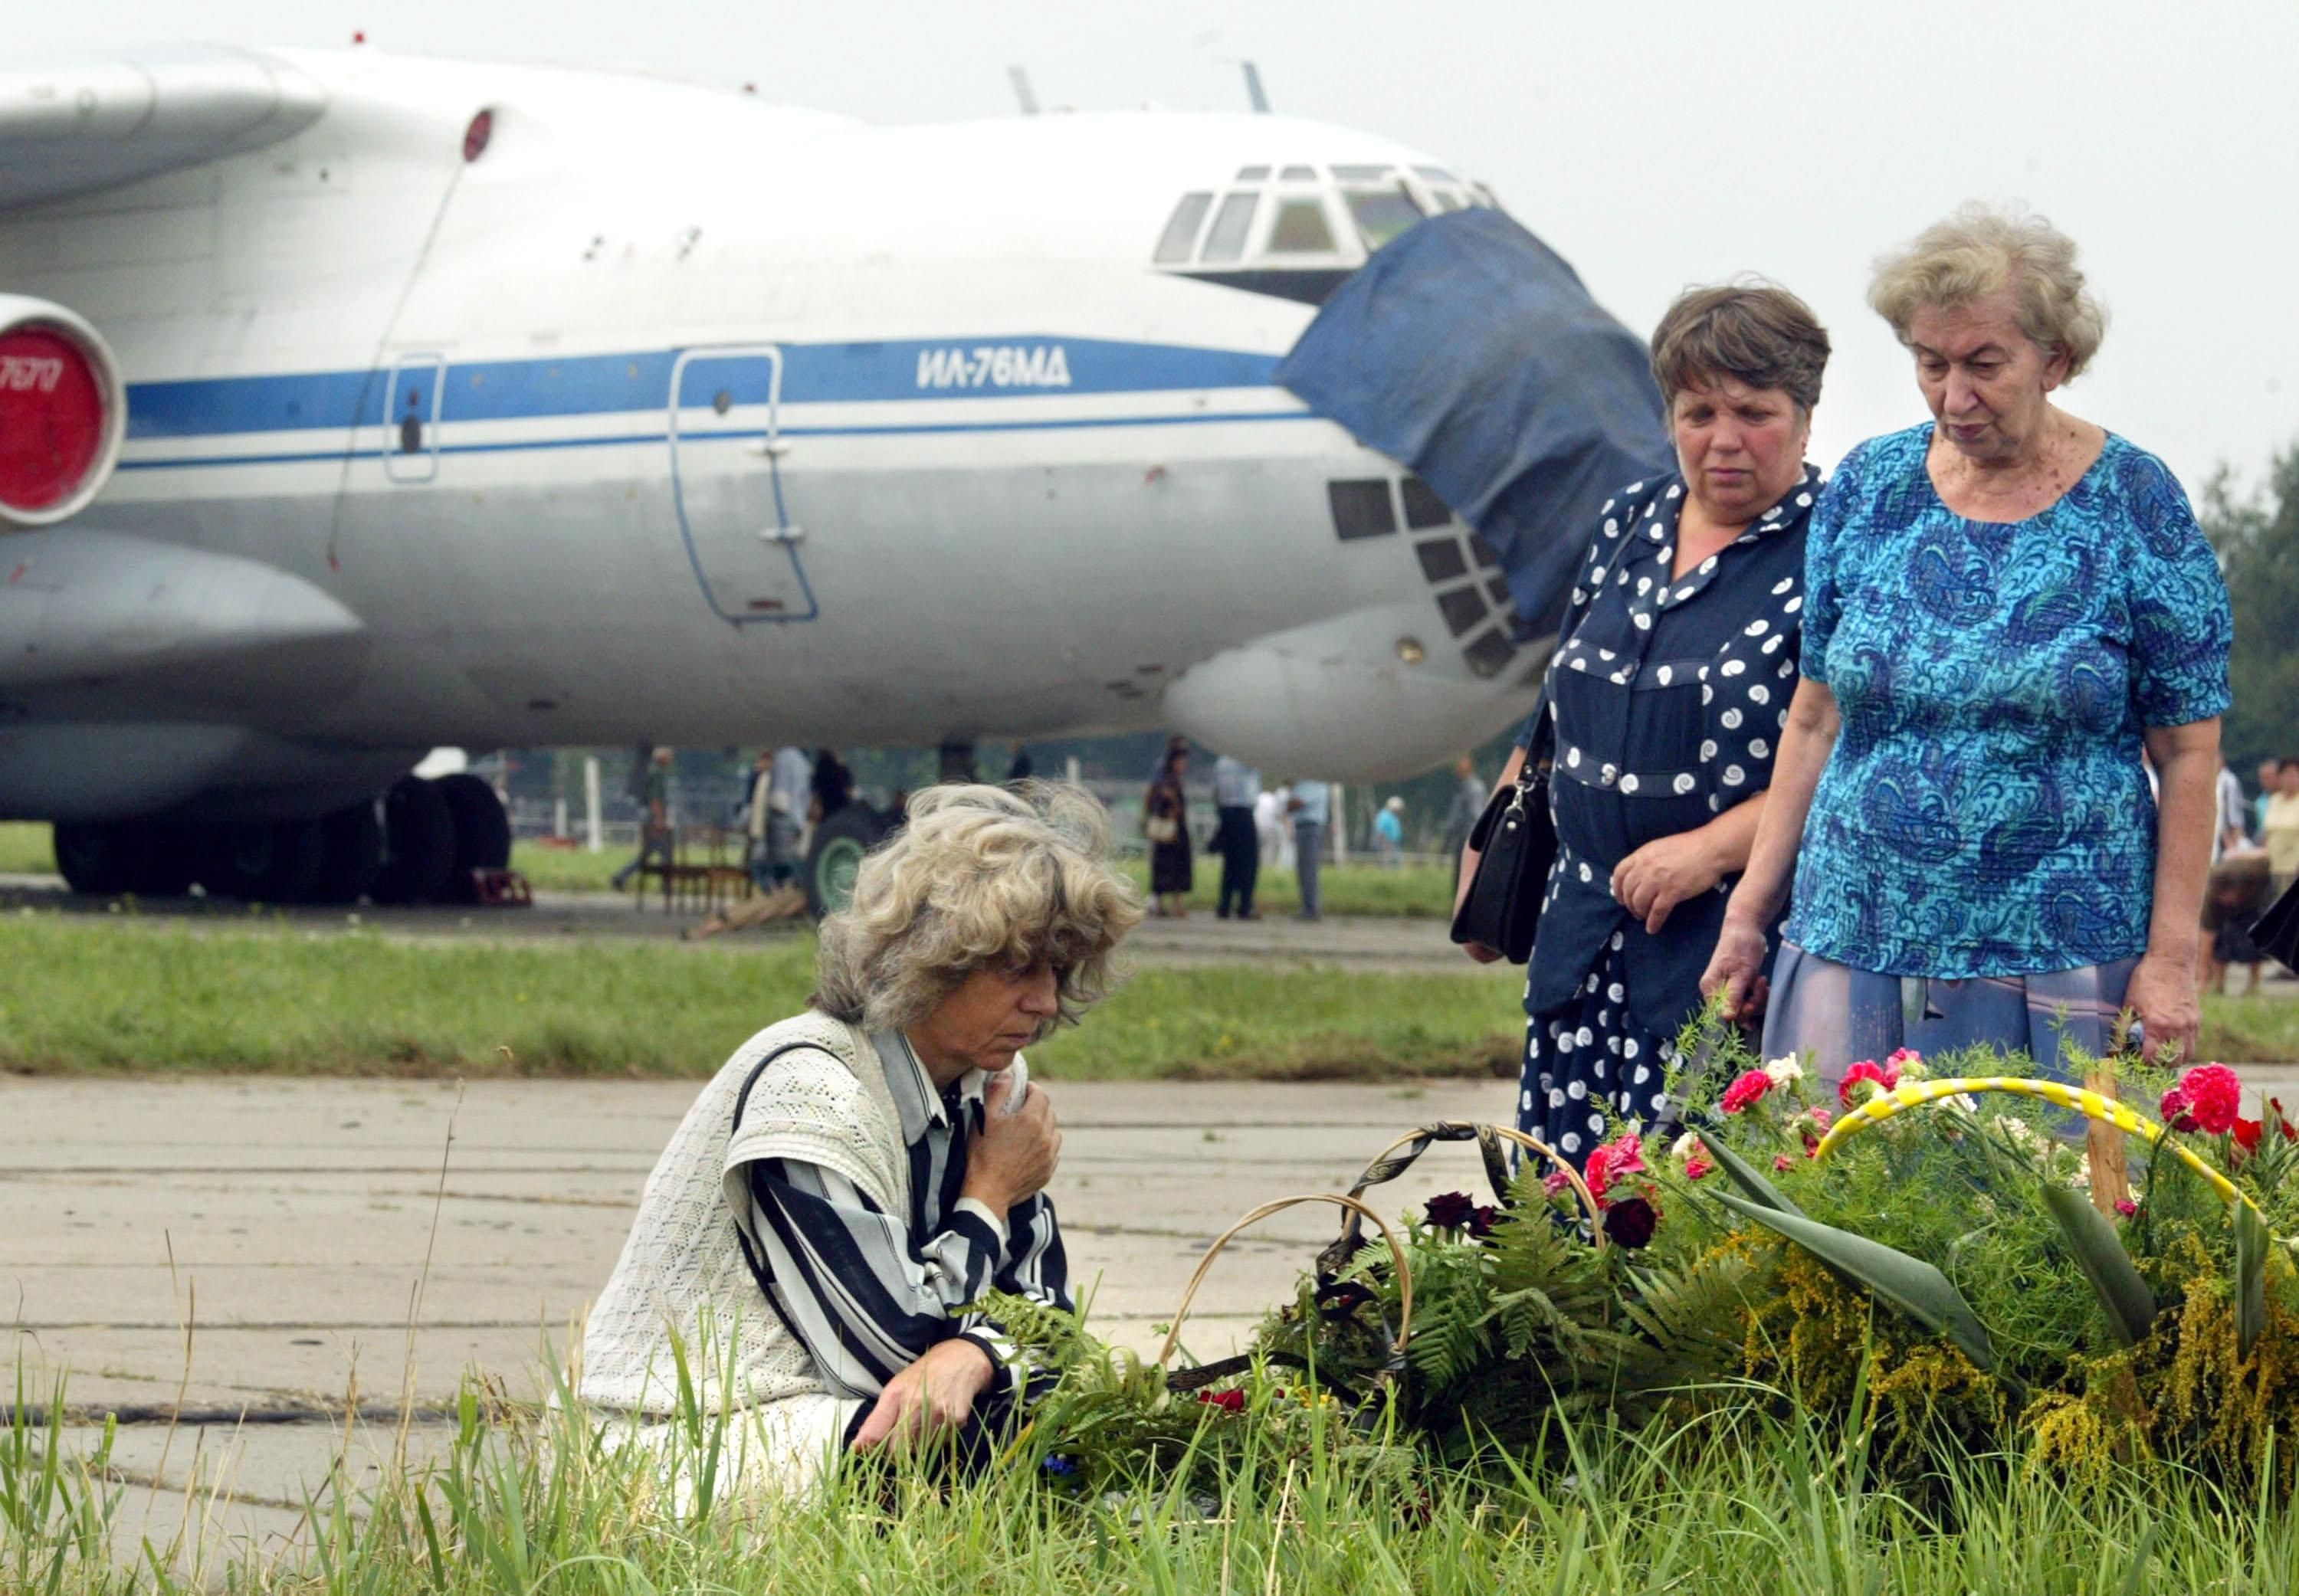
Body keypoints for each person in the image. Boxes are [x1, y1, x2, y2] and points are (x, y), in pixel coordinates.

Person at [1700, 206, 2233, 1080]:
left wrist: (2172, 957)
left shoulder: (2136, 502)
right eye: (1930, 362)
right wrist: (1748, 916)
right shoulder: (1870, 486)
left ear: (2054, 359)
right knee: (1843, 1199)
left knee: (2043, 1207)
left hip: (2062, 947)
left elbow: (2188, 748)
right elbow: (1815, 718)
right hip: (1852, 930)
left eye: (1985, 364)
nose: (1954, 395)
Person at [580, 784, 1140, 1498]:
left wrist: (974, 1353)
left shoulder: (993, 1077)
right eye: (1016, 968)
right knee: (977, 1452)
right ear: (932, 958)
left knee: (1082, 1429)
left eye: (1058, 970)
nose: (1047, 1000)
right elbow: (893, 1350)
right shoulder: (810, 1091)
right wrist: (991, 1192)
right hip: (687, 1437)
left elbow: (1048, 1317)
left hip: (846, 1412)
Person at [1456, 283, 1833, 1163]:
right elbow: (1554, 707)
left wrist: (1710, 848)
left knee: (1694, 1229)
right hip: (1584, 944)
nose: (1724, 439)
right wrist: (1489, 867)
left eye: (1754, 411)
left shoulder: (1836, 545)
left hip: (1728, 952)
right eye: (1698, 412)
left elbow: (1842, 751)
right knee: (1561, 1226)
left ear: (1807, 417)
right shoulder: (1628, 522)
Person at [612, 746, 676, 892]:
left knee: (648, 853)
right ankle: (666, 886)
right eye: (670, 756)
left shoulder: (652, 772)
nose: (672, 759)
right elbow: (655, 799)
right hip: (654, 817)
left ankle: (620, 877)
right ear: (663, 758)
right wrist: (659, 820)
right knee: (666, 851)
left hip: (648, 816)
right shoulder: (658, 774)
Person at [1144, 738, 1193, 917]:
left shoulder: (1171, 778)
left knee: (1169, 866)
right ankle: (1166, 904)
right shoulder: (1167, 779)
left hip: (1172, 829)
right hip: (1171, 829)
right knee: (1170, 866)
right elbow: (1160, 798)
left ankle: (1165, 903)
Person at [1212, 753, 1262, 919]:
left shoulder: (1221, 762)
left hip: (1226, 813)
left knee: (1230, 863)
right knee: (1248, 862)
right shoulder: (1247, 759)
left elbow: (1216, 792)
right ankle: (1245, 906)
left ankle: (1225, 905)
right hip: (1243, 812)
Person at [1288, 778, 1330, 920]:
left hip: (1310, 827)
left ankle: (1311, 909)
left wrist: (1288, 804)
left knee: (1308, 870)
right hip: (1305, 827)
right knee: (1304, 870)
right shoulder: (1305, 782)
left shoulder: (1313, 782)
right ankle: (1308, 907)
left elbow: (1297, 803)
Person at [1441, 755, 1484, 867]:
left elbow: (1476, 814)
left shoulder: (1474, 788)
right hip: (1462, 837)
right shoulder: (1462, 788)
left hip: (1469, 838)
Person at [2266, 759, 2299, 896]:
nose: (2290, 779)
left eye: (2294, 774)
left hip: (2295, 866)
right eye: (2286, 774)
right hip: (2274, 865)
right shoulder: (2274, 800)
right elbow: (2268, 832)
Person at [2213, 755, 2248, 864]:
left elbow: (2234, 810)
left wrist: (2233, 834)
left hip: (2227, 832)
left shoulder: (2229, 781)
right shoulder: (2214, 779)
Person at [811, 747, 855, 823]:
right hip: (841, 810)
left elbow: (816, 794)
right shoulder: (842, 770)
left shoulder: (819, 771)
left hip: (827, 812)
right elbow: (850, 792)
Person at [1256, 784, 1293, 873]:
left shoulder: (1260, 797)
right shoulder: (1274, 798)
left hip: (1258, 826)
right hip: (1270, 827)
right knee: (1269, 848)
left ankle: (1261, 866)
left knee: (1259, 848)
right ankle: (1267, 866)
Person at [1373, 797, 1405, 867]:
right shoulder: (1384, 815)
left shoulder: (1393, 816)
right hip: (1386, 844)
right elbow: (1379, 831)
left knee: (1395, 862)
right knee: (1388, 863)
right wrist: (1386, 844)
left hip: (1393, 843)